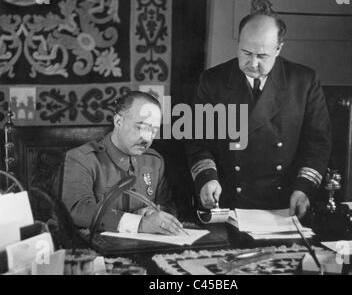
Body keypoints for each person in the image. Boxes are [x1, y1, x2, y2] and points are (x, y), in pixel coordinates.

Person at [185, 13, 332, 218]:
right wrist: (207, 178)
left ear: (279, 48)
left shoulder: (304, 82)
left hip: (285, 203)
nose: (252, 63)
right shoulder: (213, 81)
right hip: (228, 201)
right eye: (246, 52)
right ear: (238, 44)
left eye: (262, 56)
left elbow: (318, 144)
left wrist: (304, 188)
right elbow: (198, 141)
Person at [62, 91, 184, 235]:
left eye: (154, 130)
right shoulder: (82, 159)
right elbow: (79, 210)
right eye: (141, 127)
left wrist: (151, 213)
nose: (147, 138)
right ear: (118, 121)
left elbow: (168, 206)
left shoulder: (154, 162)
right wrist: (139, 223)